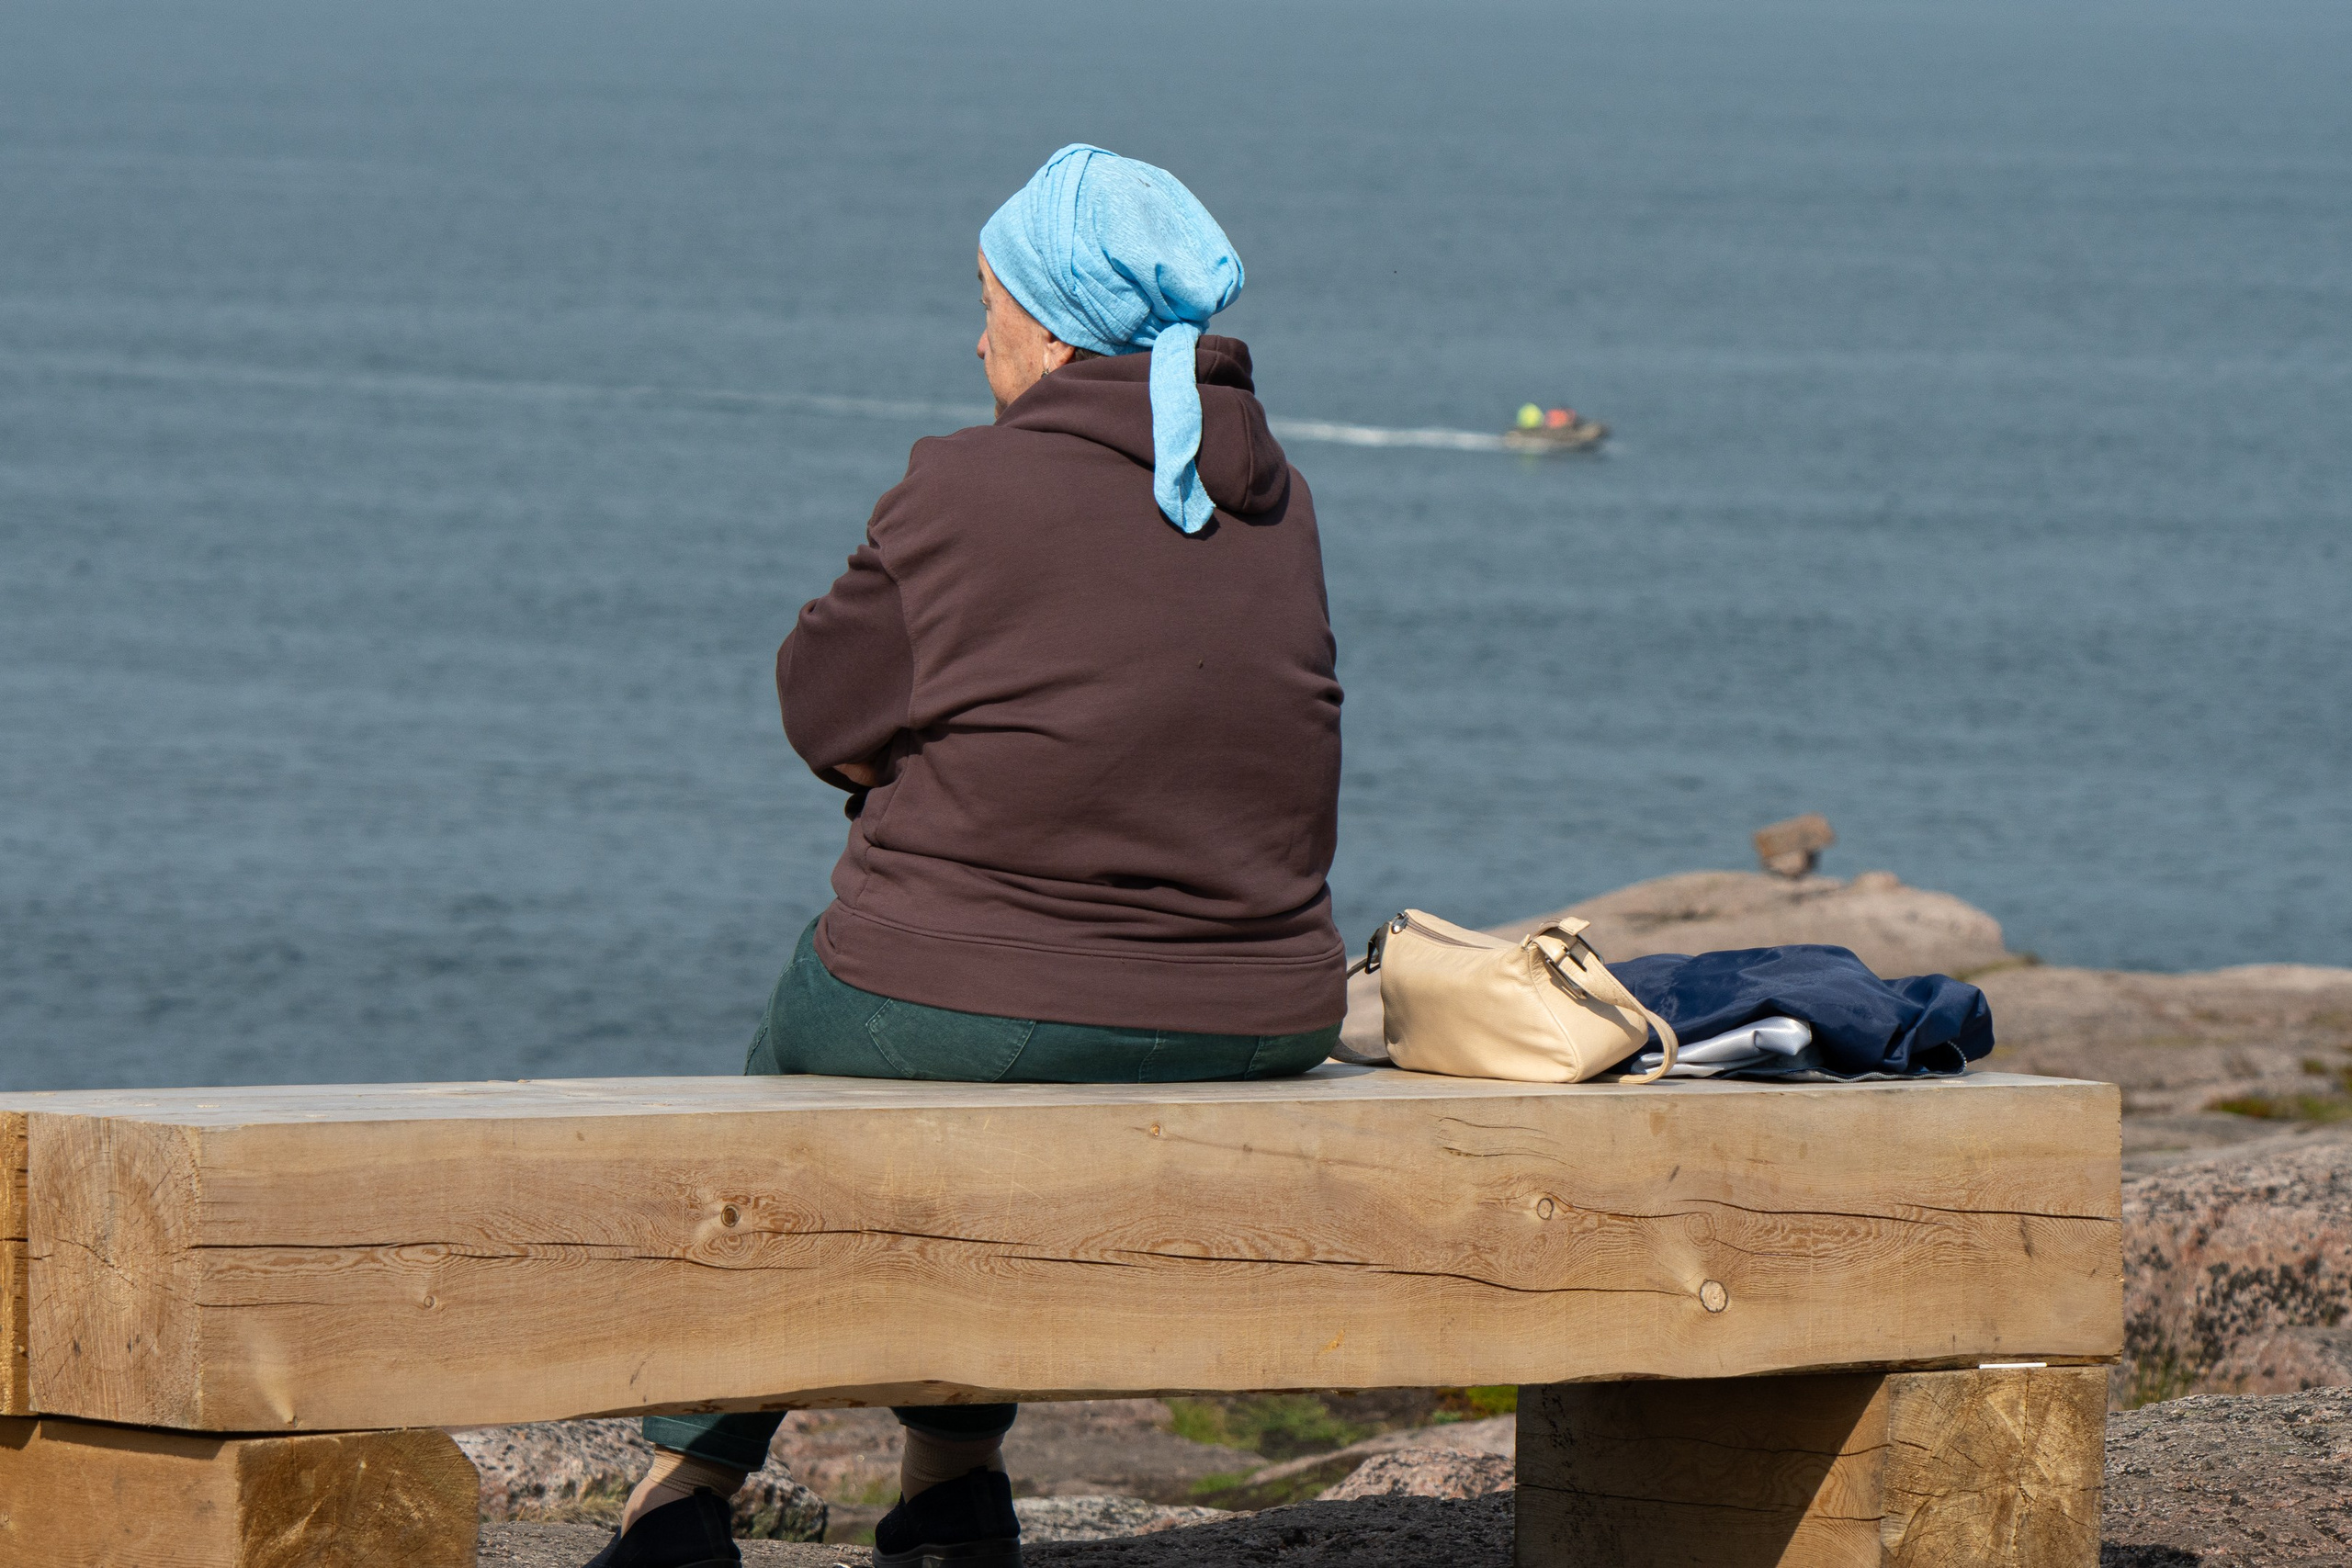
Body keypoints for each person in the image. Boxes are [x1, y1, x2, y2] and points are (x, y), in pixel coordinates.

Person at [584, 144, 1346, 1568]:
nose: (974, 331)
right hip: (1264, 1013)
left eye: (987, 299)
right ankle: (948, 1487)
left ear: (1052, 326)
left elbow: (823, 709)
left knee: (820, 1041)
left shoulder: (964, 486)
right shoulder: (1271, 497)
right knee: (997, 1009)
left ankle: (683, 1494)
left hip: (1005, 1000)